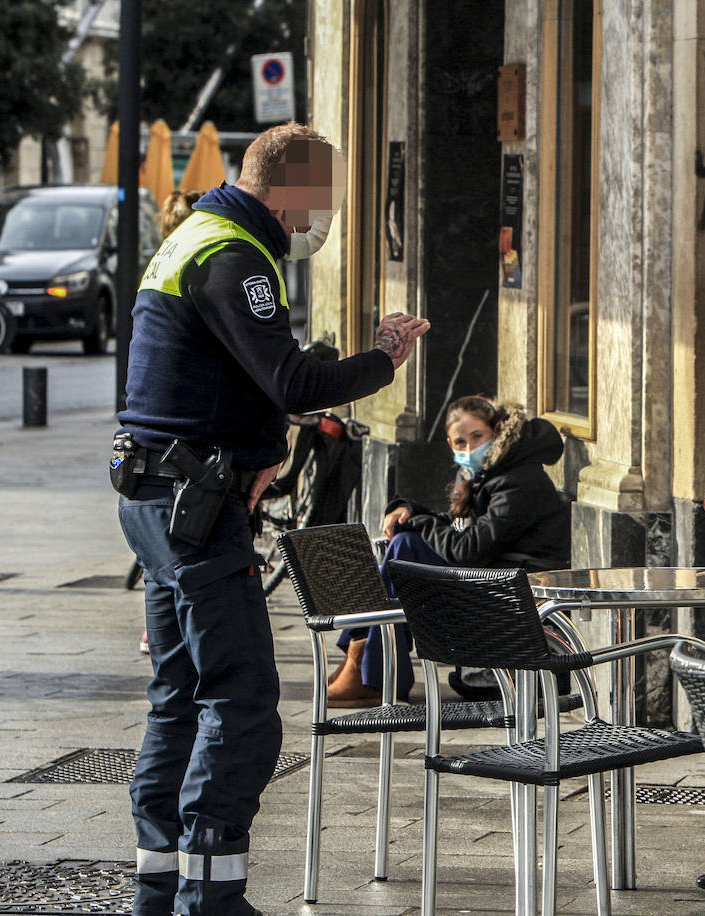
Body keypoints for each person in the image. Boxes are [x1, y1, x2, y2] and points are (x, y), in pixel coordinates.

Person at [114, 121, 429, 916]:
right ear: (288, 188)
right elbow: (287, 380)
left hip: (163, 498)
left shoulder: (197, 234)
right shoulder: (235, 254)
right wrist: (382, 360)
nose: (318, 217)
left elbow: (206, 378)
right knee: (243, 696)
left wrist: (256, 451)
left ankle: (161, 883)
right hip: (194, 509)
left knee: (180, 692)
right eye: (316, 199)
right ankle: (211, 896)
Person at [326, 395, 572, 706]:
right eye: (460, 442)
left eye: (477, 437)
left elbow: (469, 550)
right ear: (448, 442)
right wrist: (410, 512)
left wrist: (420, 523)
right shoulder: (488, 472)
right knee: (405, 545)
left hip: (513, 589)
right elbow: (459, 528)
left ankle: (368, 665)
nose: (469, 449)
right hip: (492, 579)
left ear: (497, 430)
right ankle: (366, 663)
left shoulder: (519, 480)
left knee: (405, 547)